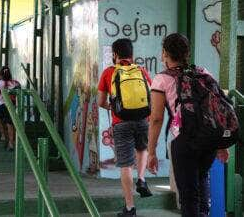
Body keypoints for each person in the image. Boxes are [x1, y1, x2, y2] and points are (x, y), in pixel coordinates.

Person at [147, 33, 230, 217]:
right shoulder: (203, 73)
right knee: (201, 181)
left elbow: (156, 119)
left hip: (183, 141)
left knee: (188, 195)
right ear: (187, 53)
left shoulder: (161, 79)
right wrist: (221, 145)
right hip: (208, 139)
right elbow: (217, 109)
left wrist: (151, 151)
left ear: (165, 54)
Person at [97, 38, 152, 217]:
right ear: (131, 54)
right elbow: (151, 95)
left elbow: (100, 102)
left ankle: (130, 208)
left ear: (114, 54)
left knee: (126, 165)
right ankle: (142, 178)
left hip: (121, 123)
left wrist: (115, 107)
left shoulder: (108, 73)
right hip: (143, 120)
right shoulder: (141, 70)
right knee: (142, 149)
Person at [0, 66, 20, 151]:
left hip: (1, 105)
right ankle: (12, 142)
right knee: (10, 124)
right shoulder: (15, 83)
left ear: (1, 74)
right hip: (12, 105)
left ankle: (3, 135)